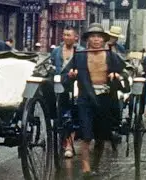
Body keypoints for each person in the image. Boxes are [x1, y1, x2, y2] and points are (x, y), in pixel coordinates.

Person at [71, 23, 125, 176]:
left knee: (101, 136)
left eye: (98, 36)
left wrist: (116, 76)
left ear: (103, 39)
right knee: (86, 135)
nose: (96, 40)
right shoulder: (79, 56)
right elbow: (65, 75)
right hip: (85, 98)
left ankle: (95, 165)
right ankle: (86, 168)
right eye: (92, 36)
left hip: (105, 97)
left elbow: (124, 71)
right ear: (87, 39)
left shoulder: (111, 55)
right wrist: (71, 75)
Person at [51, 25, 84, 158]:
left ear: (76, 37)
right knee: (60, 113)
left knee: (73, 114)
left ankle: (69, 143)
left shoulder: (81, 51)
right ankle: (62, 140)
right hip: (59, 85)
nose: (66, 37)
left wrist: (77, 72)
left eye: (69, 35)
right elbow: (52, 65)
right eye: (64, 35)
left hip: (76, 85)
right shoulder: (57, 51)